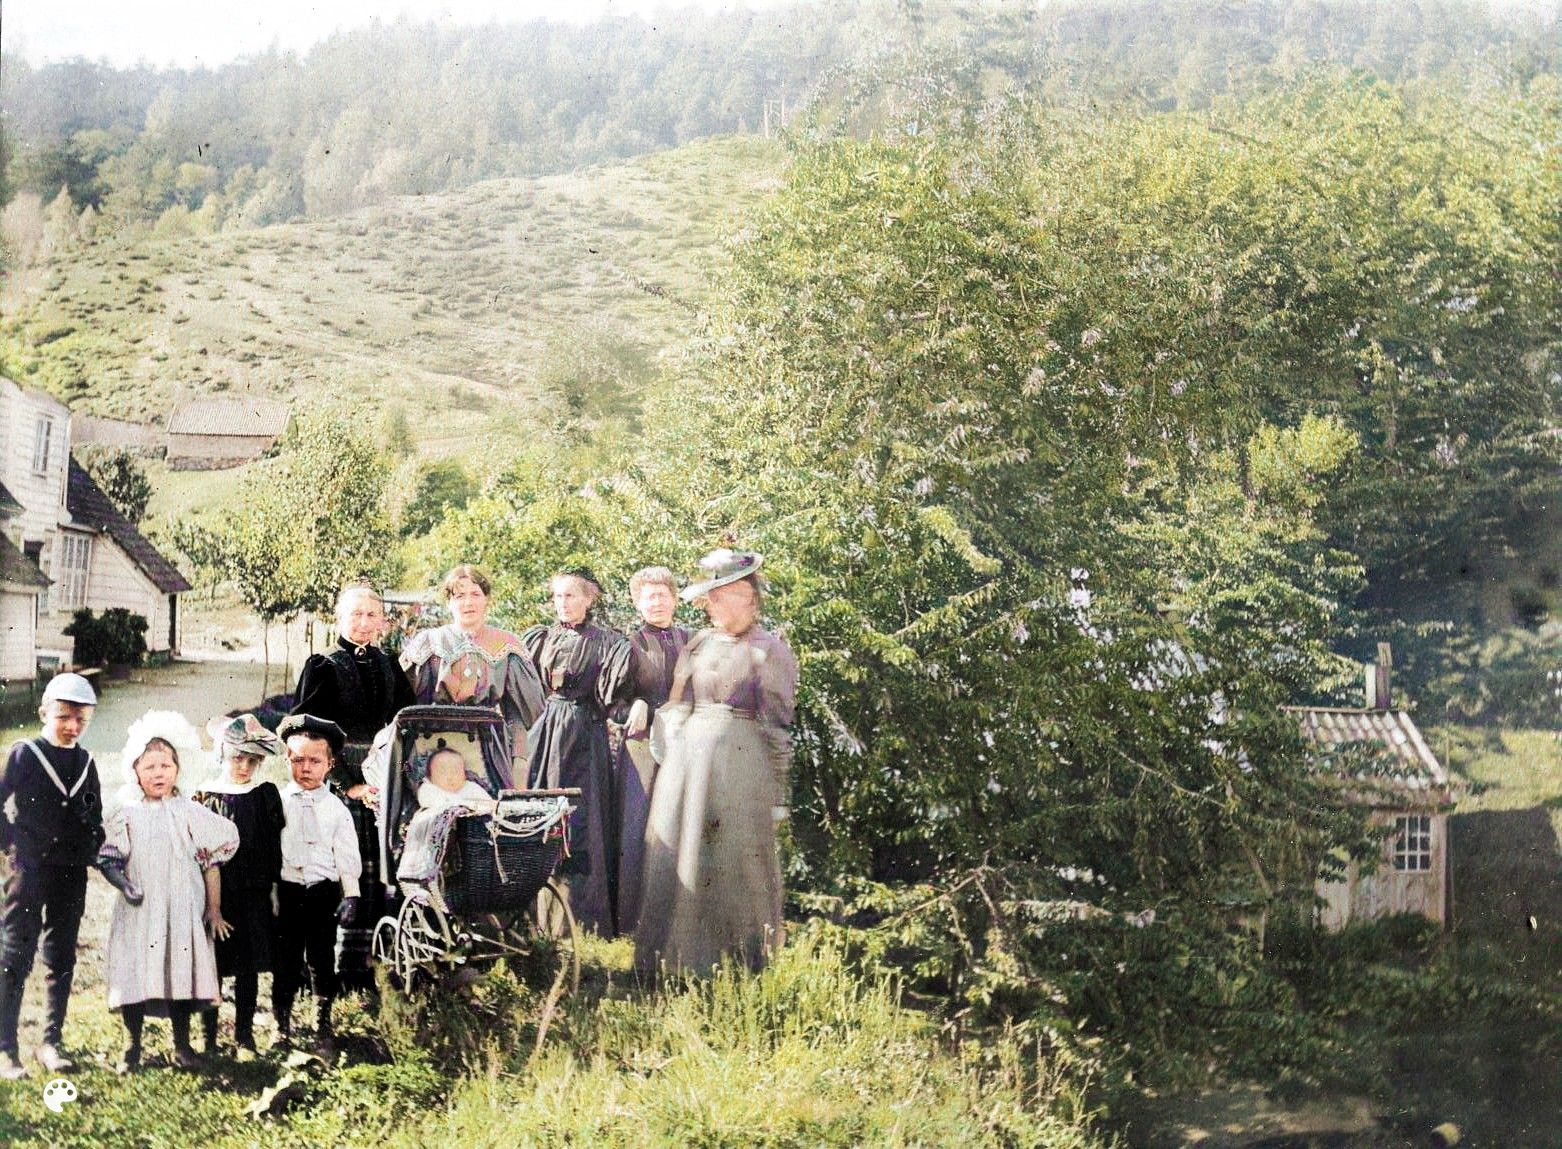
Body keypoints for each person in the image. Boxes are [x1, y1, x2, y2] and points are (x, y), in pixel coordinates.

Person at [635, 549, 797, 977]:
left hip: (739, 774)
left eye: (718, 596)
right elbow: (679, 702)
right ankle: (672, 966)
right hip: (688, 770)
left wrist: (777, 796)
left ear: (746, 595)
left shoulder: (770, 651)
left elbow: (779, 727)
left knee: (734, 867)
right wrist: (670, 741)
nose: (710, 606)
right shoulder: (700, 643)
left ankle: (737, 967)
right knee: (677, 855)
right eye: (708, 598)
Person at [290, 583, 414, 985]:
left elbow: (407, 722)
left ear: (382, 621)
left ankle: (382, 964)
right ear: (339, 618)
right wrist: (348, 783)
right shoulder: (323, 664)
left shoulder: (390, 664)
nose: (363, 623)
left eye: (371, 615)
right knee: (344, 871)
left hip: (386, 779)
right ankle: (336, 974)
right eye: (355, 615)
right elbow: (305, 733)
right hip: (340, 777)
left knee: (385, 868)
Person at [99, 726, 239, 1073]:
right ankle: (132, 1046)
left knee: (180, 971)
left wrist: (214, 908)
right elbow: (109, 859)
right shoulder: (127, 814)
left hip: (181, 910)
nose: (158, 773)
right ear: (134, 772)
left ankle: (182, 1044)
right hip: (140, 909)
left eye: (165, 766)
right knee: (135, 971)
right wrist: (125, 885)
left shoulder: (189, 812)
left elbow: (210, 863)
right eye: (149, 767)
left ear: (178, 769)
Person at [0, 672, 105, 1078]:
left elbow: (93, 811)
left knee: (60, 956)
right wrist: (11, 844)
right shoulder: (24, 753)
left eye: (81, 719)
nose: (72, 726)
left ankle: (50, 1042)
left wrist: (91, 841)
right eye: (64, 717)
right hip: (27, 871)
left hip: (69, 874)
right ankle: (7, 1049)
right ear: (44, 712)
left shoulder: (86, 762)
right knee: (15, 954)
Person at [522, 569, 631, 935]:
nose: (563, 604)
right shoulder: (539, 639)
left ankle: (582, 920)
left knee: (581, 821)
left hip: (585, 735)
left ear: (589, 599)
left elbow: (615, 696)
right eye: (557, 596)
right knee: (541, 816)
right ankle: (537, 915)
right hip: (545, 733)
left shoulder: (608, 643)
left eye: (571, 596)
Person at [193, 714, 286, 1059]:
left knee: (248, 965)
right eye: (237, 758)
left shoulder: (264, 795)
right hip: (217, 892)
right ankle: (208, 1038)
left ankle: (244, 1035)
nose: (244, 767)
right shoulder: (205, 796)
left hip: (254, 891)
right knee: (212, 964)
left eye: (252, 760)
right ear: (222, 754)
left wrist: (274, 889)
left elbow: (273, 845)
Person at [401, 564, 545, 787]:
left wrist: (519, 759)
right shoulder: (429, 641)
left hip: (487, 747)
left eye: (476, 594)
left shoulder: (507, 644)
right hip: (432, 745)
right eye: (459, 596)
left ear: (487, 599)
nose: (468, 603)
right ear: (449, 603)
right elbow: (405, 703)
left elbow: (522, 713)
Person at [607, 566, 690, 934]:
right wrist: (634, 706)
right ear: (636, 603)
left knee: (681, 823)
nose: (656, 602)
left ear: (674, 598)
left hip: (684, 743)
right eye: (648, 596)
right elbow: (611, 702)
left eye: (662, 595)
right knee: (638, 826)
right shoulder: (628, 645)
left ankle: (678, 915)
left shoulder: (692, 641)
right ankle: (633, 919)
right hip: (641, 745)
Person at [273, 714, 361, 1056]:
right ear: (287, 760)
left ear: (330, 763)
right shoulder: (278, 802)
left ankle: (322, 1022)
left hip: (322, 892)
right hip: (288, 889)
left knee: (321, 957)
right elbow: (269, 850)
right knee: (285, 958)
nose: (306, 768)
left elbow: (346, 855)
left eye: (314, 761)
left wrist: (350, 894)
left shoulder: (337, 809)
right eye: (298, 760)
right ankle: (282, 1025)